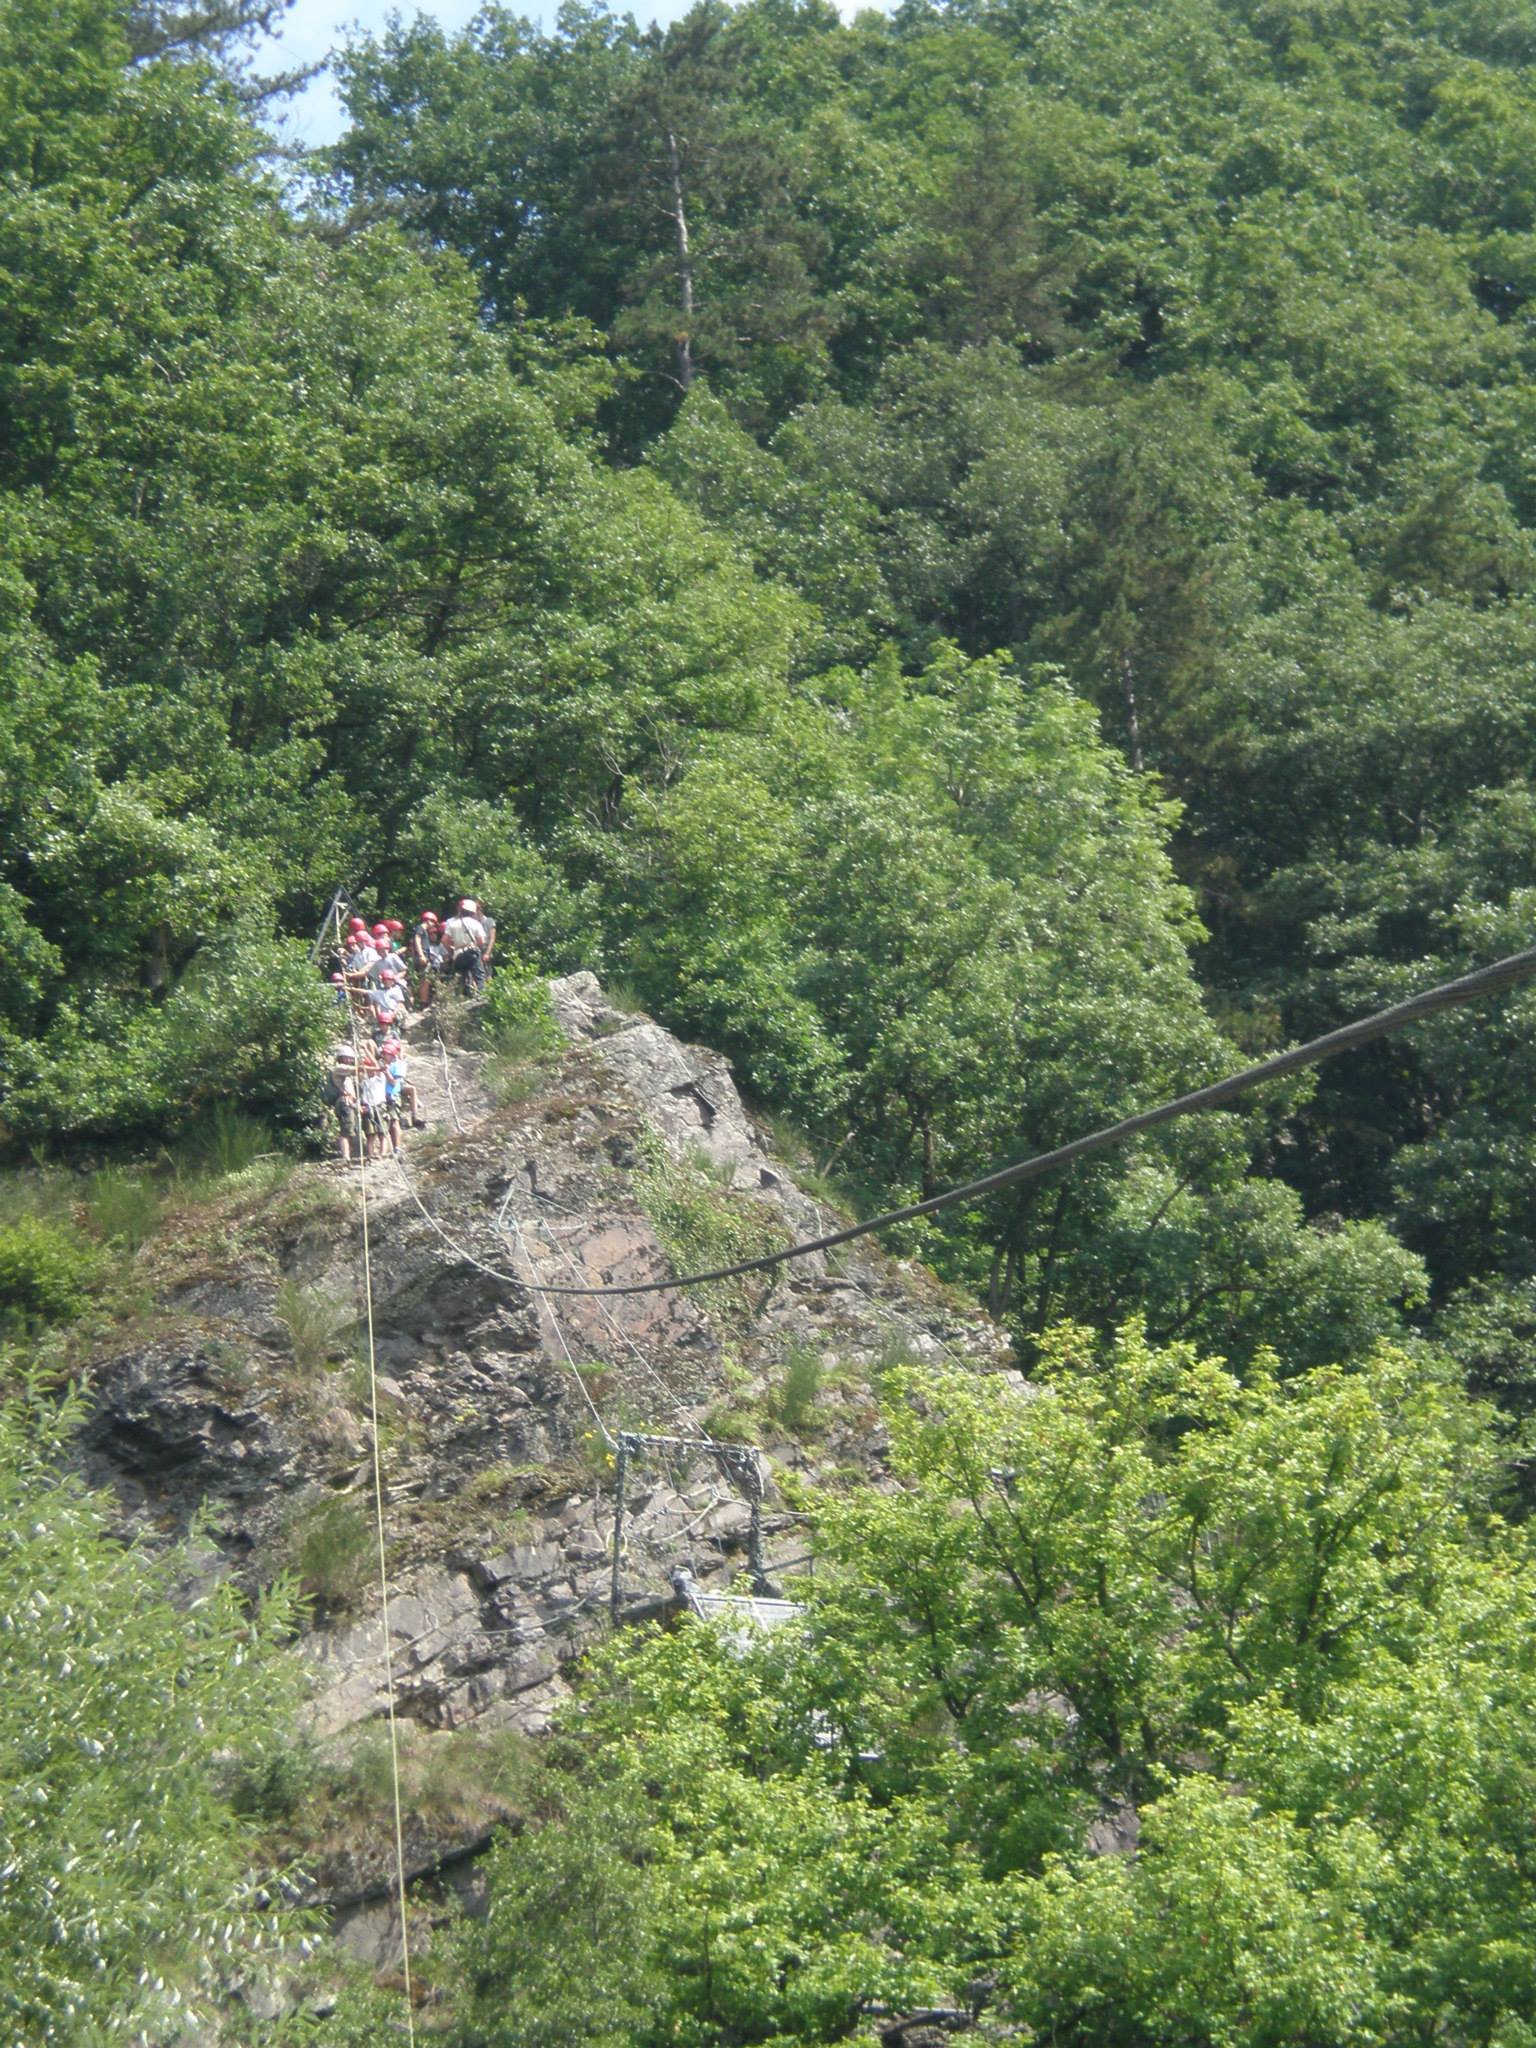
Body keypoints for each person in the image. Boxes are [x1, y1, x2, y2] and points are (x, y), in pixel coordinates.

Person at [442, 899, 489, 994]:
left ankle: (462, 995)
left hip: (458, 954)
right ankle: (482, 994)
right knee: (479, 974)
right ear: (472, 912)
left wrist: (452, 950)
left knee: (462, 976)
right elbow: (482, 941)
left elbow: (444, 941)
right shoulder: (476, 924)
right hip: (472, 952)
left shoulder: (452, 924)